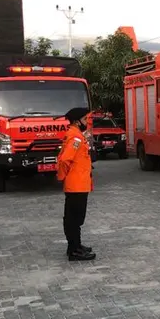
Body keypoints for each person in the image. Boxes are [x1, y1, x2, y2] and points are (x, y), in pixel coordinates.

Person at [57, 107, 96, 261]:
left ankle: (75, 246)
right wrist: (62, 177)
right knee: (74, 219)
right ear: (77, 121)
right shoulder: (76, 139)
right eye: (85, 119)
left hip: (78, 184)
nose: (87, 122)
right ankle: (74, 250)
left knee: (74, 218)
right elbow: (65, 160)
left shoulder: (76, 136)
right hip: (76, 185)